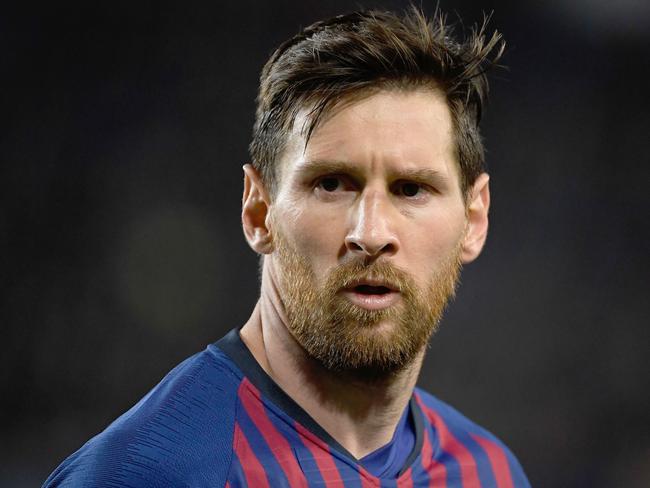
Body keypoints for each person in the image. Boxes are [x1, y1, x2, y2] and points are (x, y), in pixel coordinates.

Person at [44, 7, 530, 487]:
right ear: (259, 212)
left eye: (411, 189)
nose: (372, 232)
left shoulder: (489, 472)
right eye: (333, 183)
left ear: (473, 219)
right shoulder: (149, 474)